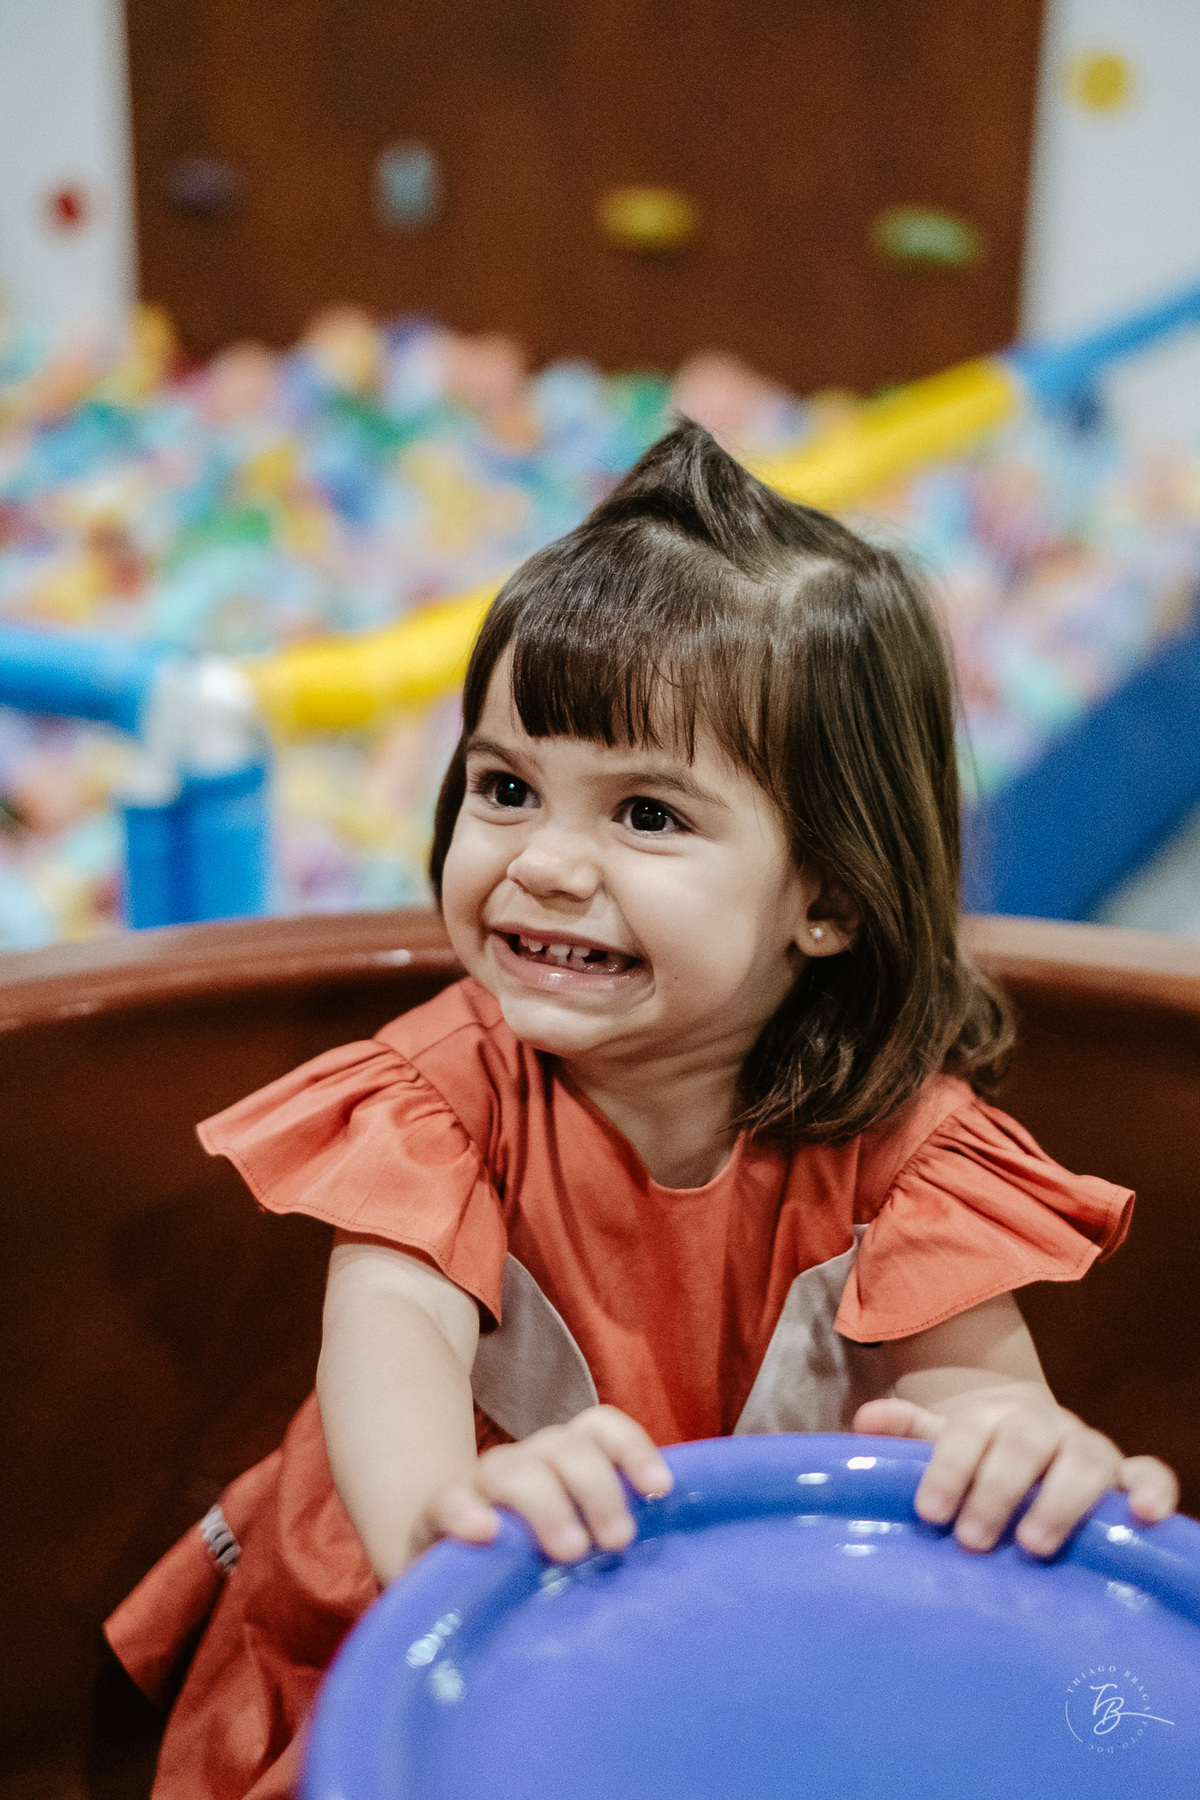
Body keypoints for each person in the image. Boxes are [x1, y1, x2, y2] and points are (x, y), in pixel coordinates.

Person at [106, 421, 1178, 1799]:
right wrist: (451, 1523)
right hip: (427, 1622)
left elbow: (972, 1386)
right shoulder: (444, 1102)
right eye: (506, 788)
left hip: (742, 1641)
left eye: (648, 817)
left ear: (829, 899)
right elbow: (389, 1355)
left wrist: (1014, 1451)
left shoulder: (909, 1153)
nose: (543, 863)